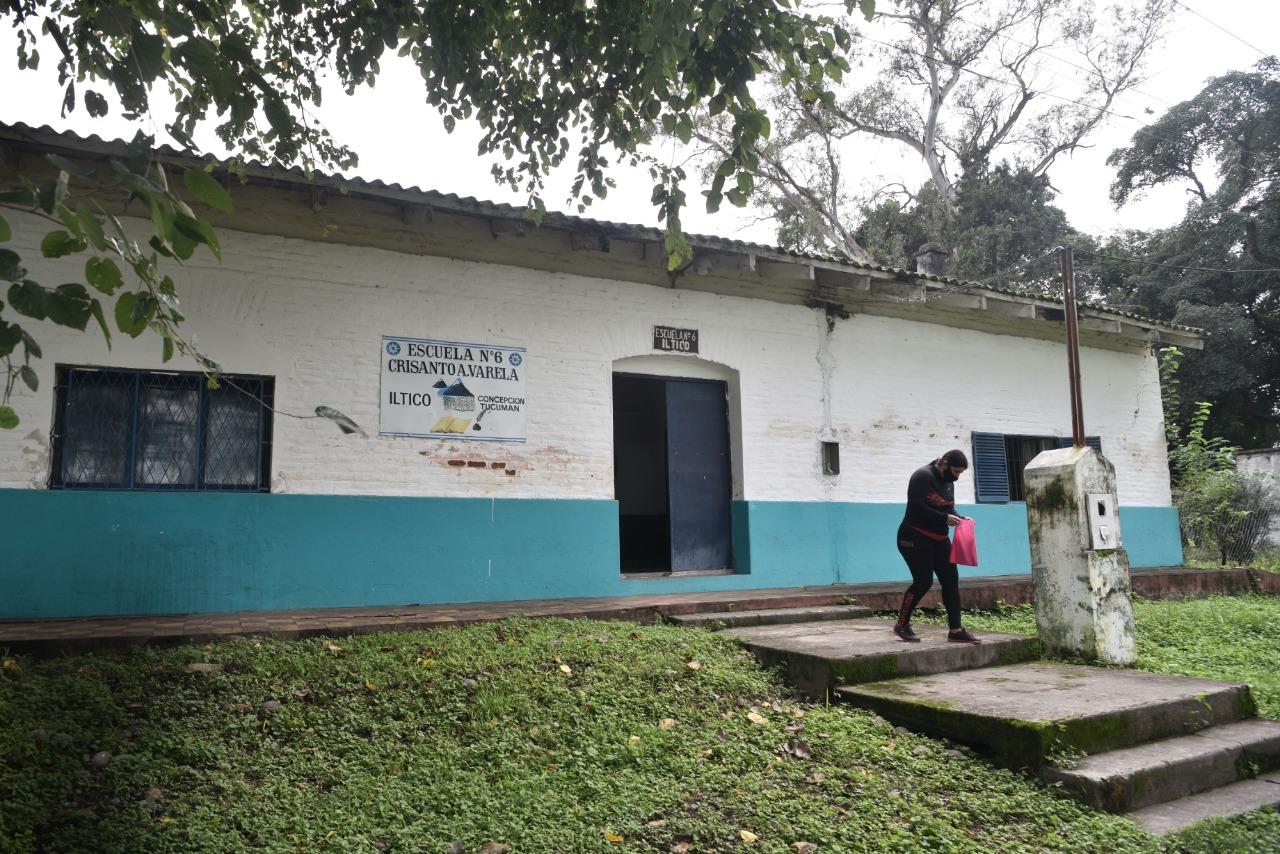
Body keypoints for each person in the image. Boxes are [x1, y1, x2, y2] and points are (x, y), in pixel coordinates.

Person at [893, 450, 981, 644]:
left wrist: (959, 518)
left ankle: (955, 630)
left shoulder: (948, 482)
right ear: (944, 463)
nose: (957, 476)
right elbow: (915, 507)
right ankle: (902, 625)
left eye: (960, 473)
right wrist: (944, 518)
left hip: (939, 538)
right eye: (956, 471)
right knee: (923, 581)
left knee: (951, 580)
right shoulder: (923, 476)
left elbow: (947, 508)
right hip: (913, 536)